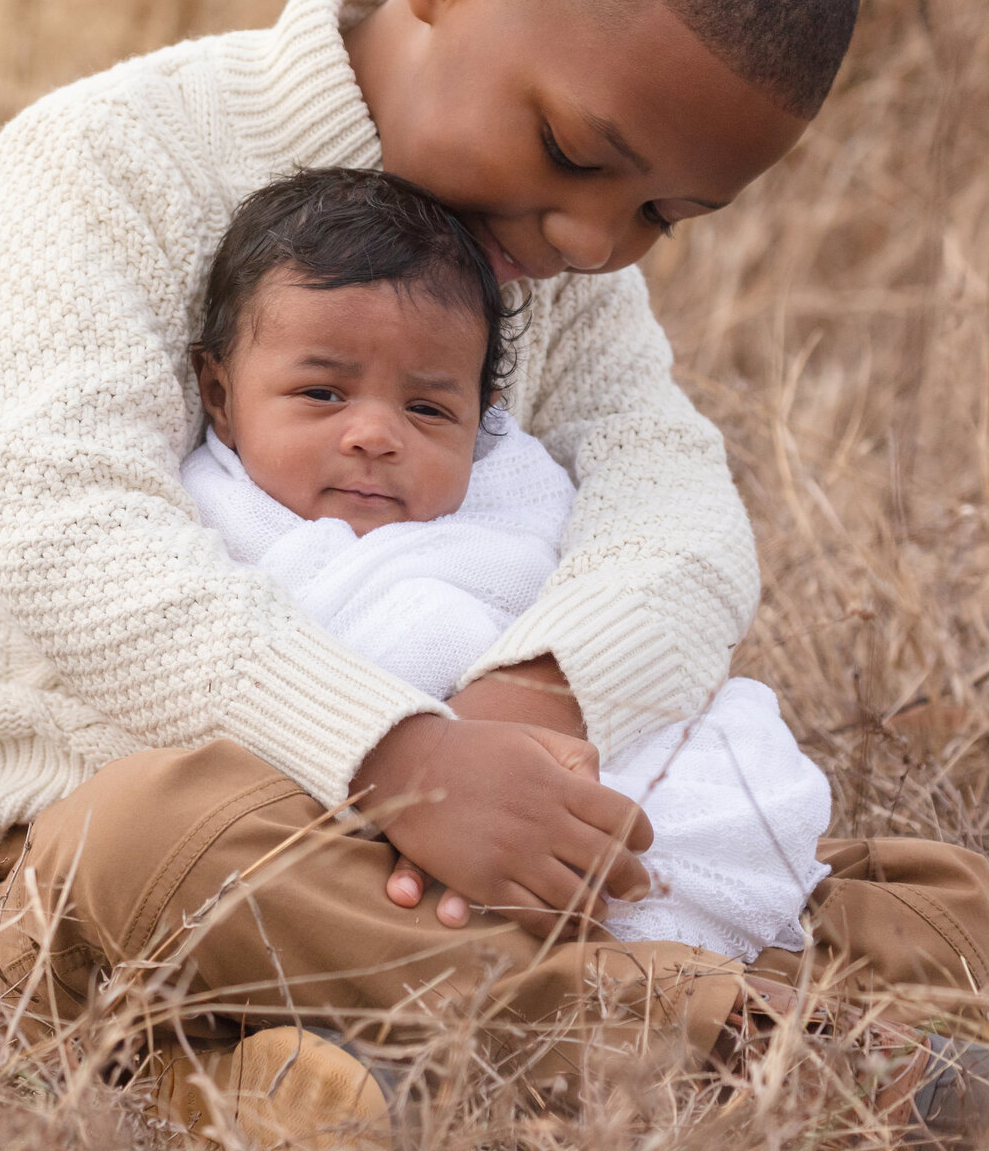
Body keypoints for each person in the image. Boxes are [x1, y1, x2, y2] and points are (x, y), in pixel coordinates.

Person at [0, 0, 989, 1151]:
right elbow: (70, 533)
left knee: (926, 892)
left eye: (666, 213)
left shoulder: (552, 265)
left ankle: (317, 1090)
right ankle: (743, 1056)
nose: (595, 240)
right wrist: (397, 758)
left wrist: (531, 709)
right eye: (577, 152)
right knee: (154, 828)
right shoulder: (104, 160)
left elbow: (676, 508)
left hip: (446, 870)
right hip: (103, 881)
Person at [179, 166, 832, 967]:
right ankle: (671, 1001)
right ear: (219, 392)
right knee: (194, 847)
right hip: (340, 809)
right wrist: (407, 776)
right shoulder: (203, 515)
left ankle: (660, 953)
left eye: (428, 409)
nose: (375, 433)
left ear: (484, 417)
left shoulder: (513, 500)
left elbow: (585, 620)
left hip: (534, 799)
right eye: (321, 393)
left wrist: (518, 776)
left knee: (745, 774)